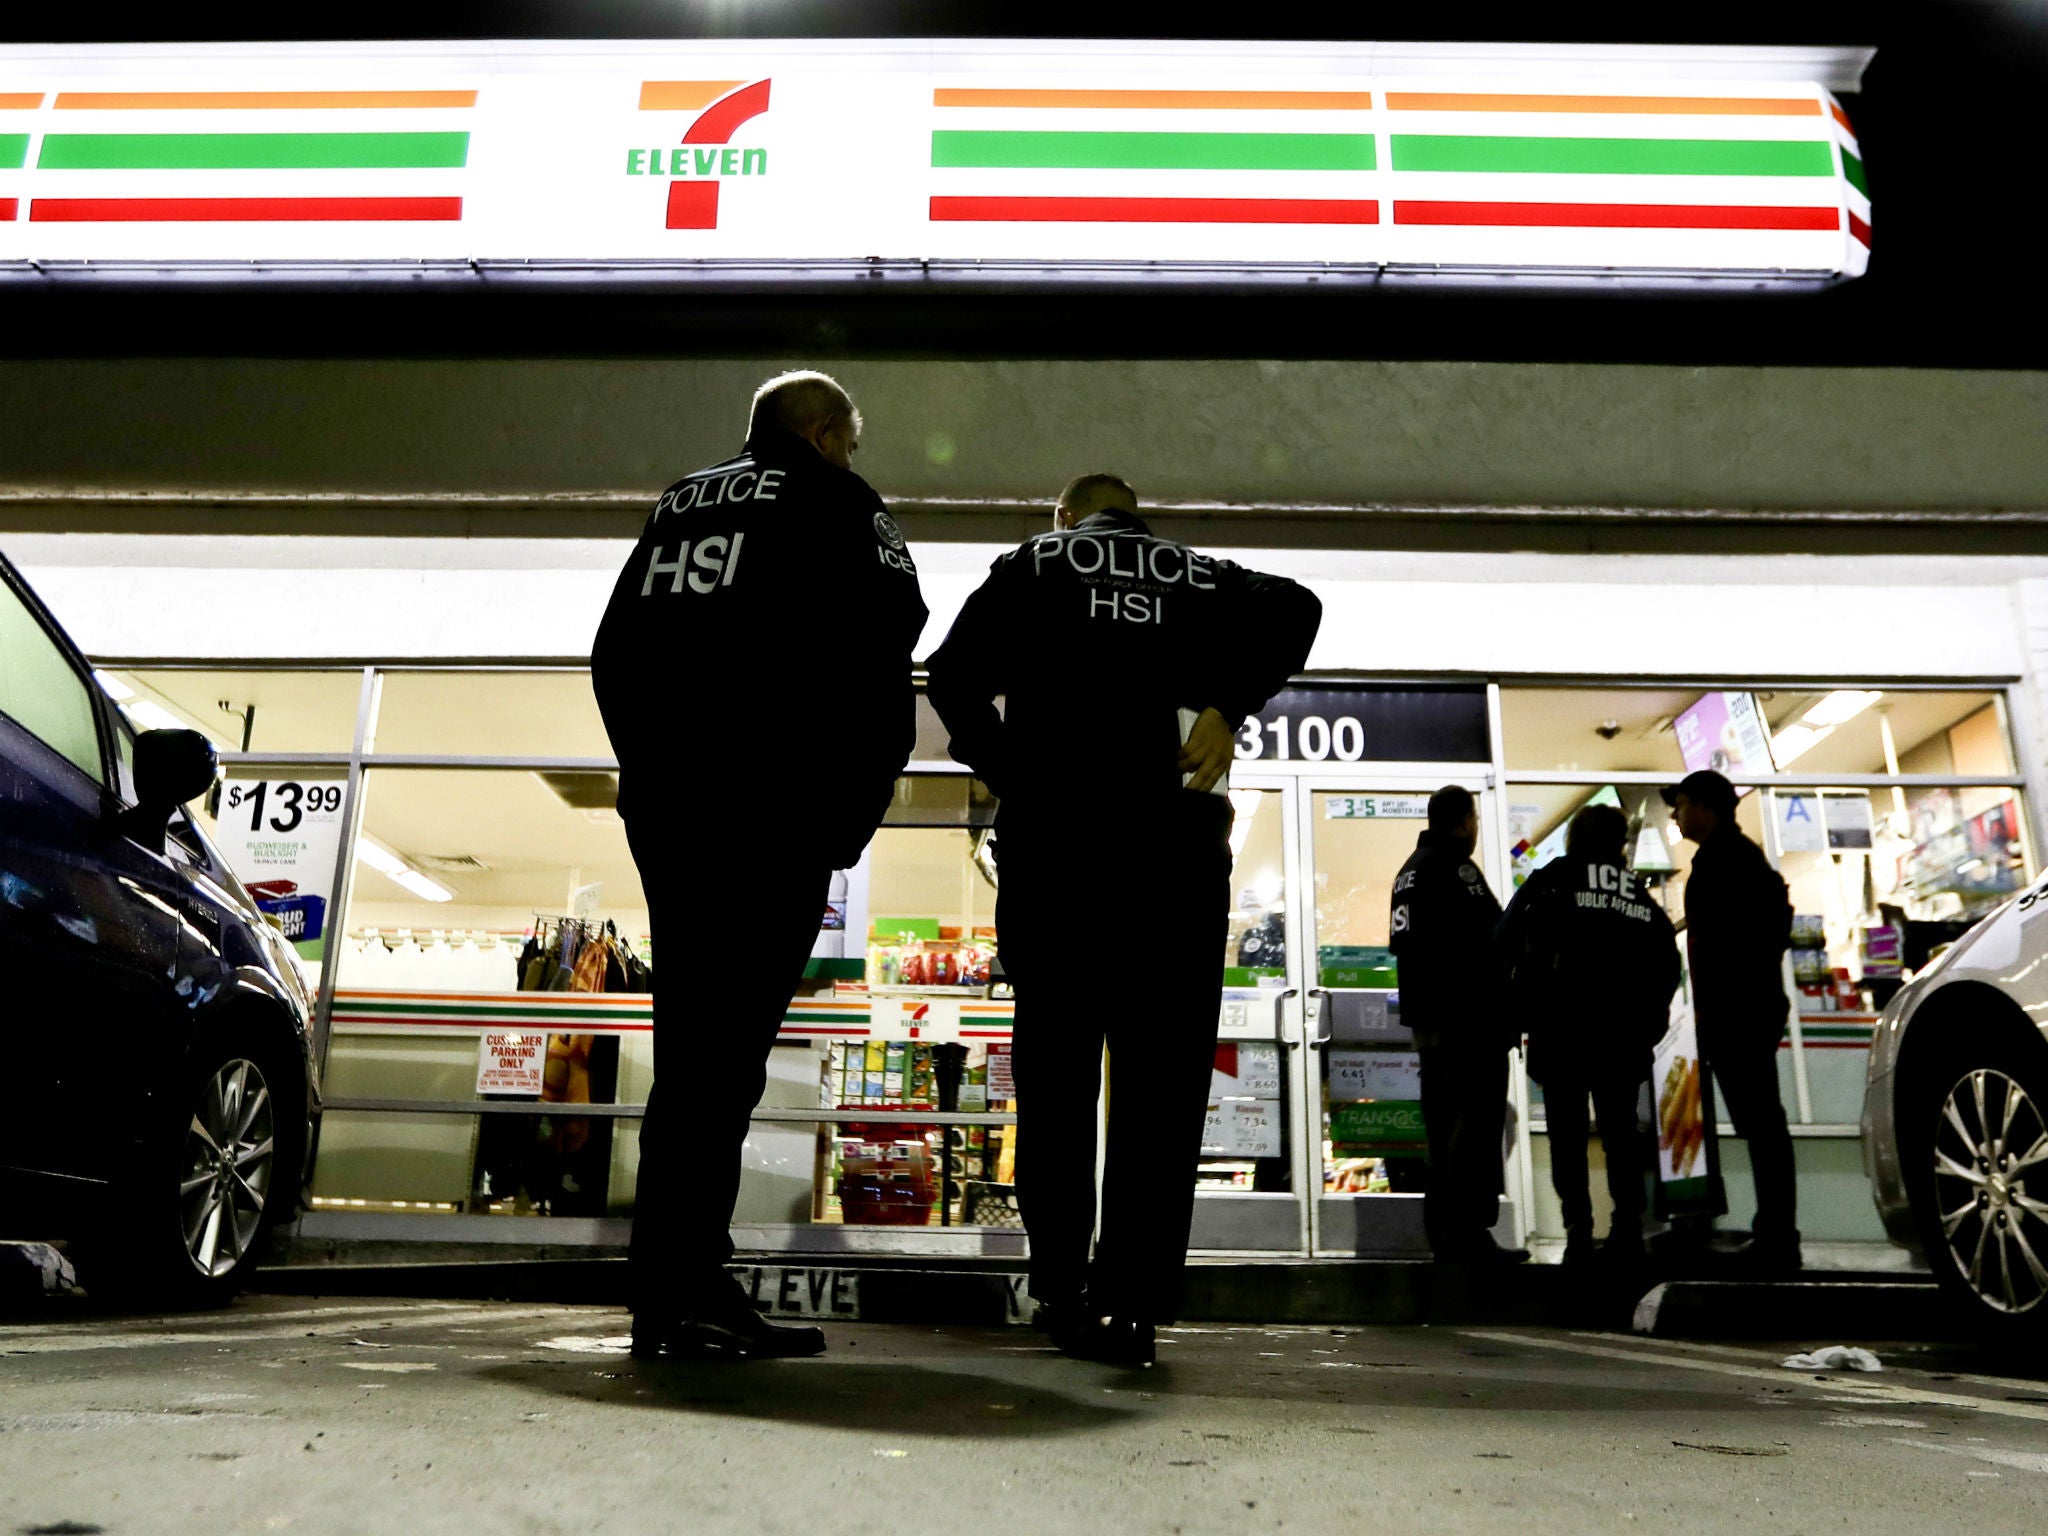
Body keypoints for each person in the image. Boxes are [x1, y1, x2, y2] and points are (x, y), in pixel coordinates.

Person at [925, 472, 1320, 1367]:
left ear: (1066, 517)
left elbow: (948, 677)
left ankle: (1062, 1290)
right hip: (1171, 862)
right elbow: (1299, 605)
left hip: (1059, 856)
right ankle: (1135, 1304)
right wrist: (1230, 705)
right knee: (1161, 1087)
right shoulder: (1198, 572)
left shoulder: (1032, 565)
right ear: (1139, 518)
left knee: (1057, 1080)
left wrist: (1010, 767)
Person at [591, 370, 928, 1357]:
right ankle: (685, 1293)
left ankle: (676, 1287)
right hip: (773, 812)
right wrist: (845, 817)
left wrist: (652, 771)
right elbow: (885, 646)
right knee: (723, 1061)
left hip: (674, 811)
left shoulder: (681, 504)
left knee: (694, 1054)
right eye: (850, 442)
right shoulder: (836, 501)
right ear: (823, 435)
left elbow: (614, 652)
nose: (853, 459)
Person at [1495, 803, 1679, 1266]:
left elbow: (1503, 936)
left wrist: (1522, 1003)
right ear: (1619, 843)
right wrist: (1650, 1024)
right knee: (1620, 1133)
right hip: (1622, 1038)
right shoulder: (1636, 894)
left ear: (1575, 838)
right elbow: (1666, 963)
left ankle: (1578, 1231)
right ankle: (1628, 1229)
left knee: (1568, 1136)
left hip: (1562, 1032)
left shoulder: (1554, 877)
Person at [1662, 768, 1799, 1270]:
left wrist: (1729, 997)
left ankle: (1778, 1236)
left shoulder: (1732, 860)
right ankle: (1775, 1231)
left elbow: (1749, 937)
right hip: (1736, 1011)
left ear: (1704, 806)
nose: (1675, 815)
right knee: (1761, 1123)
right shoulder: (1730, 858)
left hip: (1741, 1013)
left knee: (1762, 1124)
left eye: (1679, 804)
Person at [1390, 786, 1526, 1264]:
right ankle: (1469, 1233)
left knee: (1444, 1126)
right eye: (1475, 819)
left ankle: (1445, 1231)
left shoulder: (1409, 869)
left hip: (1430, 1023)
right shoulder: (1453, 866)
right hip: (1468, 1021)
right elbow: (1493, 937)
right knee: (1475, 1125)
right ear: (1466, 819)